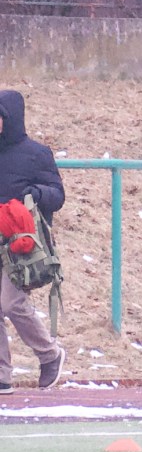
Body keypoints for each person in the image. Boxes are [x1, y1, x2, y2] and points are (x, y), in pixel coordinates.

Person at [0, 90, 67, 393]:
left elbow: (58, 195)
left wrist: (37, 194)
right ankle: (2, 375)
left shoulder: (37, 154)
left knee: (11, 302)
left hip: (21, 243)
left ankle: (49, 354)